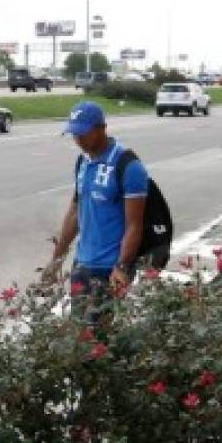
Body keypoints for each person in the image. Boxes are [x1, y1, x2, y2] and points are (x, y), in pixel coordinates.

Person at [43, 101, 148, 314]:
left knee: (101, 338)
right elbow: (74, 213)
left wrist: (122, 266)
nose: (78, 139)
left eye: (83, 133)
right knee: (80, 333)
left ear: (102, 128)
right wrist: (56, 260)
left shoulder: (128, 166)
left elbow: (134, 225)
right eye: (74, 133)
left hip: (110, 269)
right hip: (82, 264)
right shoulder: (83, 162)